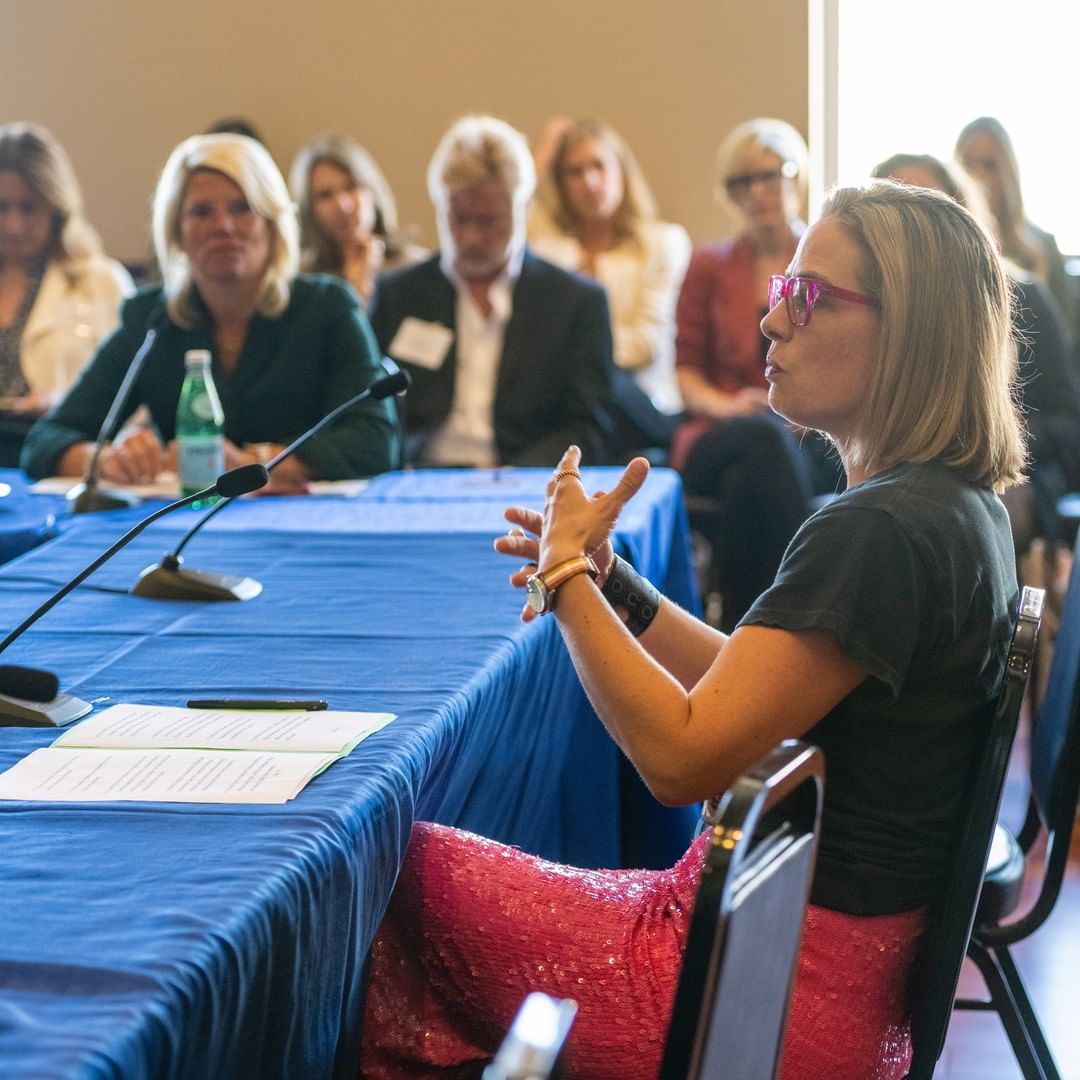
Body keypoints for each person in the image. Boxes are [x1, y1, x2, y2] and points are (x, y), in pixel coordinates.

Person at [359, 180, 1026, 1079]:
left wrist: (564, 580)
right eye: (782, 290)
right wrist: (613, 584)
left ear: (909, 330)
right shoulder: (954, 507)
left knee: (378, 870)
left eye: (808, 296)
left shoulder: (879, 532)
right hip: (826, 988)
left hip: (756, 995)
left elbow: (682, 760)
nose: (772, 321)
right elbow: (754, 693)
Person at [22, 133, 398, 483]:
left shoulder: (328, 308)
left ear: (272, 225)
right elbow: (45, 441)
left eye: (241, 208)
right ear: (176, 233)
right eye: (201, 212)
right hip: (186, 520)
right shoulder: (152, 320)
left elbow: (375, 441)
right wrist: (105, 460)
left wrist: (261, 462)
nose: (223, 227)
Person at [368, 114, 615, 468]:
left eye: (488, 221)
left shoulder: (574, 302)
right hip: (420, 476)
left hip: (525, 479)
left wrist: (514, 475)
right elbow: (373, 415)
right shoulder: (399, 295)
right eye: (458, 219)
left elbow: (589, 429)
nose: (471, 237)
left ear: (524, 209)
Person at [873, 151, 1080, 544]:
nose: (913, 230)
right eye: (896, 215)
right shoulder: (867, 311)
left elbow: (1069, 423)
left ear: (962, 215)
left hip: (1003, 473)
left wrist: (991, 431)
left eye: (928, 208)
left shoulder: (1023, 296)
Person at [673, 118, 825, 629]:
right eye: (744, 181)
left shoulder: (825, 263)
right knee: (761, 436)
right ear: (730, 193)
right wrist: (730, 406)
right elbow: (687, 372)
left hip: (809, 434)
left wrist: (808, 412)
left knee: (748, 487)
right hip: (721, 429)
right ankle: (804, 608)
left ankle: (744, 630)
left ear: (796, 176)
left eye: (771, 175)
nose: (759, 191)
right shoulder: (708, 266)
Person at [530, 117, 691, 453]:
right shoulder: (548, 249)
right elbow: (503, 221)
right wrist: (541, 158)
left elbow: (646, 344)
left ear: (622, 172)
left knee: (597, 384)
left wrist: (575, 353)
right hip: (571, 405)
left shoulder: (663, 243)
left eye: (599, 167)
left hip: (641, 401)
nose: (590, 182)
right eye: (574, 172)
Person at [0, 123, 133, 465]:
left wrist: (65, 402)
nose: (13, 225)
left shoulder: (101, 282)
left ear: (56, 208)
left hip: (60, 461)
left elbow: (138, 399)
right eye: (2, 207)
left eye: (28, 208)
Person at [956, 116, 1075, 339]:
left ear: (1008, 172)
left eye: (989, 165)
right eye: (967, 164)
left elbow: (1060, 337)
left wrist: (1038, 270)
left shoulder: (1042, 246)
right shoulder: (950, 242)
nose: (977, 176)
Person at [289, 133, 427, 306]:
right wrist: (355, 290)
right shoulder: (300, 284)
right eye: (325, 195)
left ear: (372, 191)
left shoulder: (417, 268)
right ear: (309, 209)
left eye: (351, 186)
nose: (343, 205)